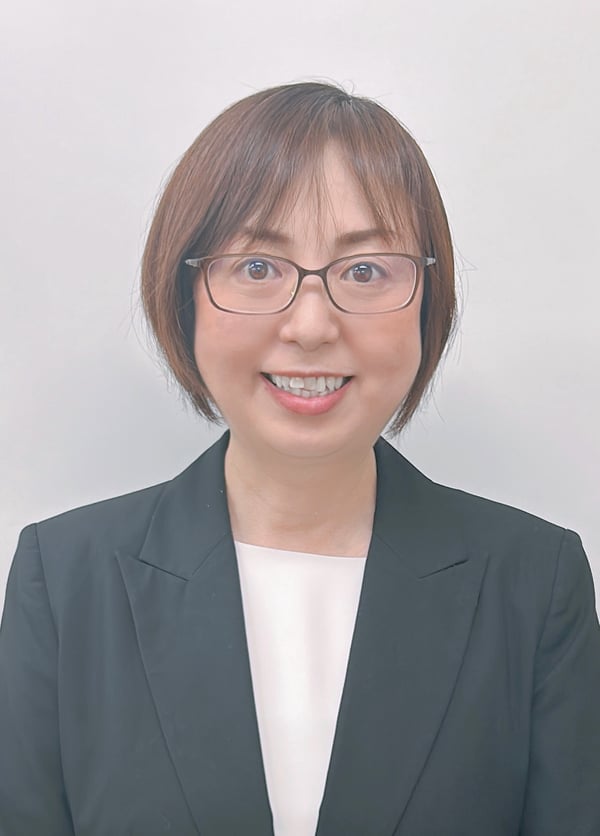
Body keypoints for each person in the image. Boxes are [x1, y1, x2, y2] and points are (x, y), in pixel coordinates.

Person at [1, 81, 599, 836]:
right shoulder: (64, 580)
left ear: (428, 302)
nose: (311, 326)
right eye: (258, 268)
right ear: (185, 298)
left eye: (365, 270)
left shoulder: (534, 583)